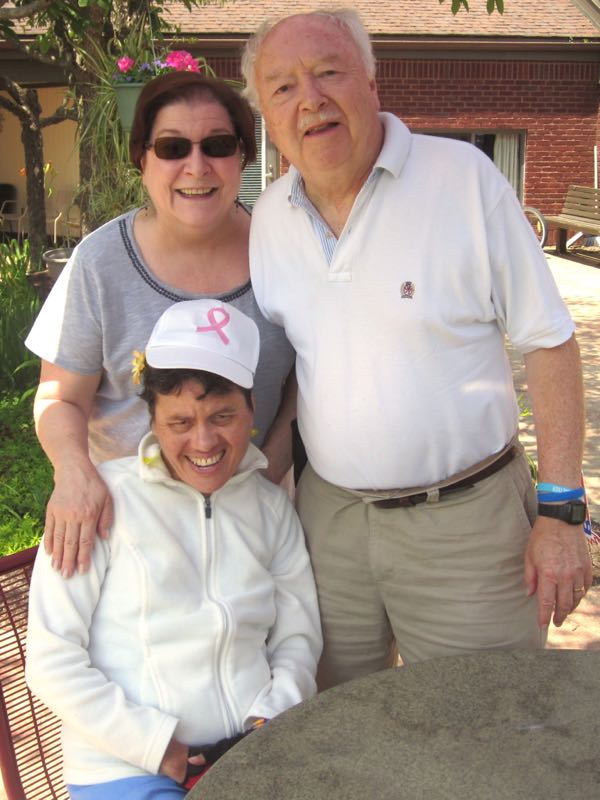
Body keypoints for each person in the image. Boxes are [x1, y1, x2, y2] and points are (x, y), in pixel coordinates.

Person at [241, 8, 591, 689]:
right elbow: (292, 387)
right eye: (282, 87)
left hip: (466, 527)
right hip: (329, 526)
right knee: (334, 723)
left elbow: (549, 341)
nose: (309, 98)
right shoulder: (267, 222)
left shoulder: (463, 180)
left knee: (486, 729)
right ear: (268, 118)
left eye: (328, 72)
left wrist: (562, 511)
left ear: (372, 84)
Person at [26, 298, 322, 800]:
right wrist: (155, 745)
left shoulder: (271, 508)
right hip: (126, 767)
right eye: (180, 422)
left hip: (253, 753)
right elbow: (52, 658)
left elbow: (298, 637)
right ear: (152, 419)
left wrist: (269, 719)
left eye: (222, 415)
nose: (203, 441)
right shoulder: (100, 503)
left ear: (251, 409)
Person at [25, 71, 295, 579]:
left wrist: (269, 473)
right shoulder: (100, 263)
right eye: (172, 147)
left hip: (252, 524)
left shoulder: (285, 254)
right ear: (142, 160)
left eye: (217, 144)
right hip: (129, 529)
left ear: (242, 156)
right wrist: (74, 471)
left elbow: (308, 383)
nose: (197, 166)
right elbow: (59, 397)